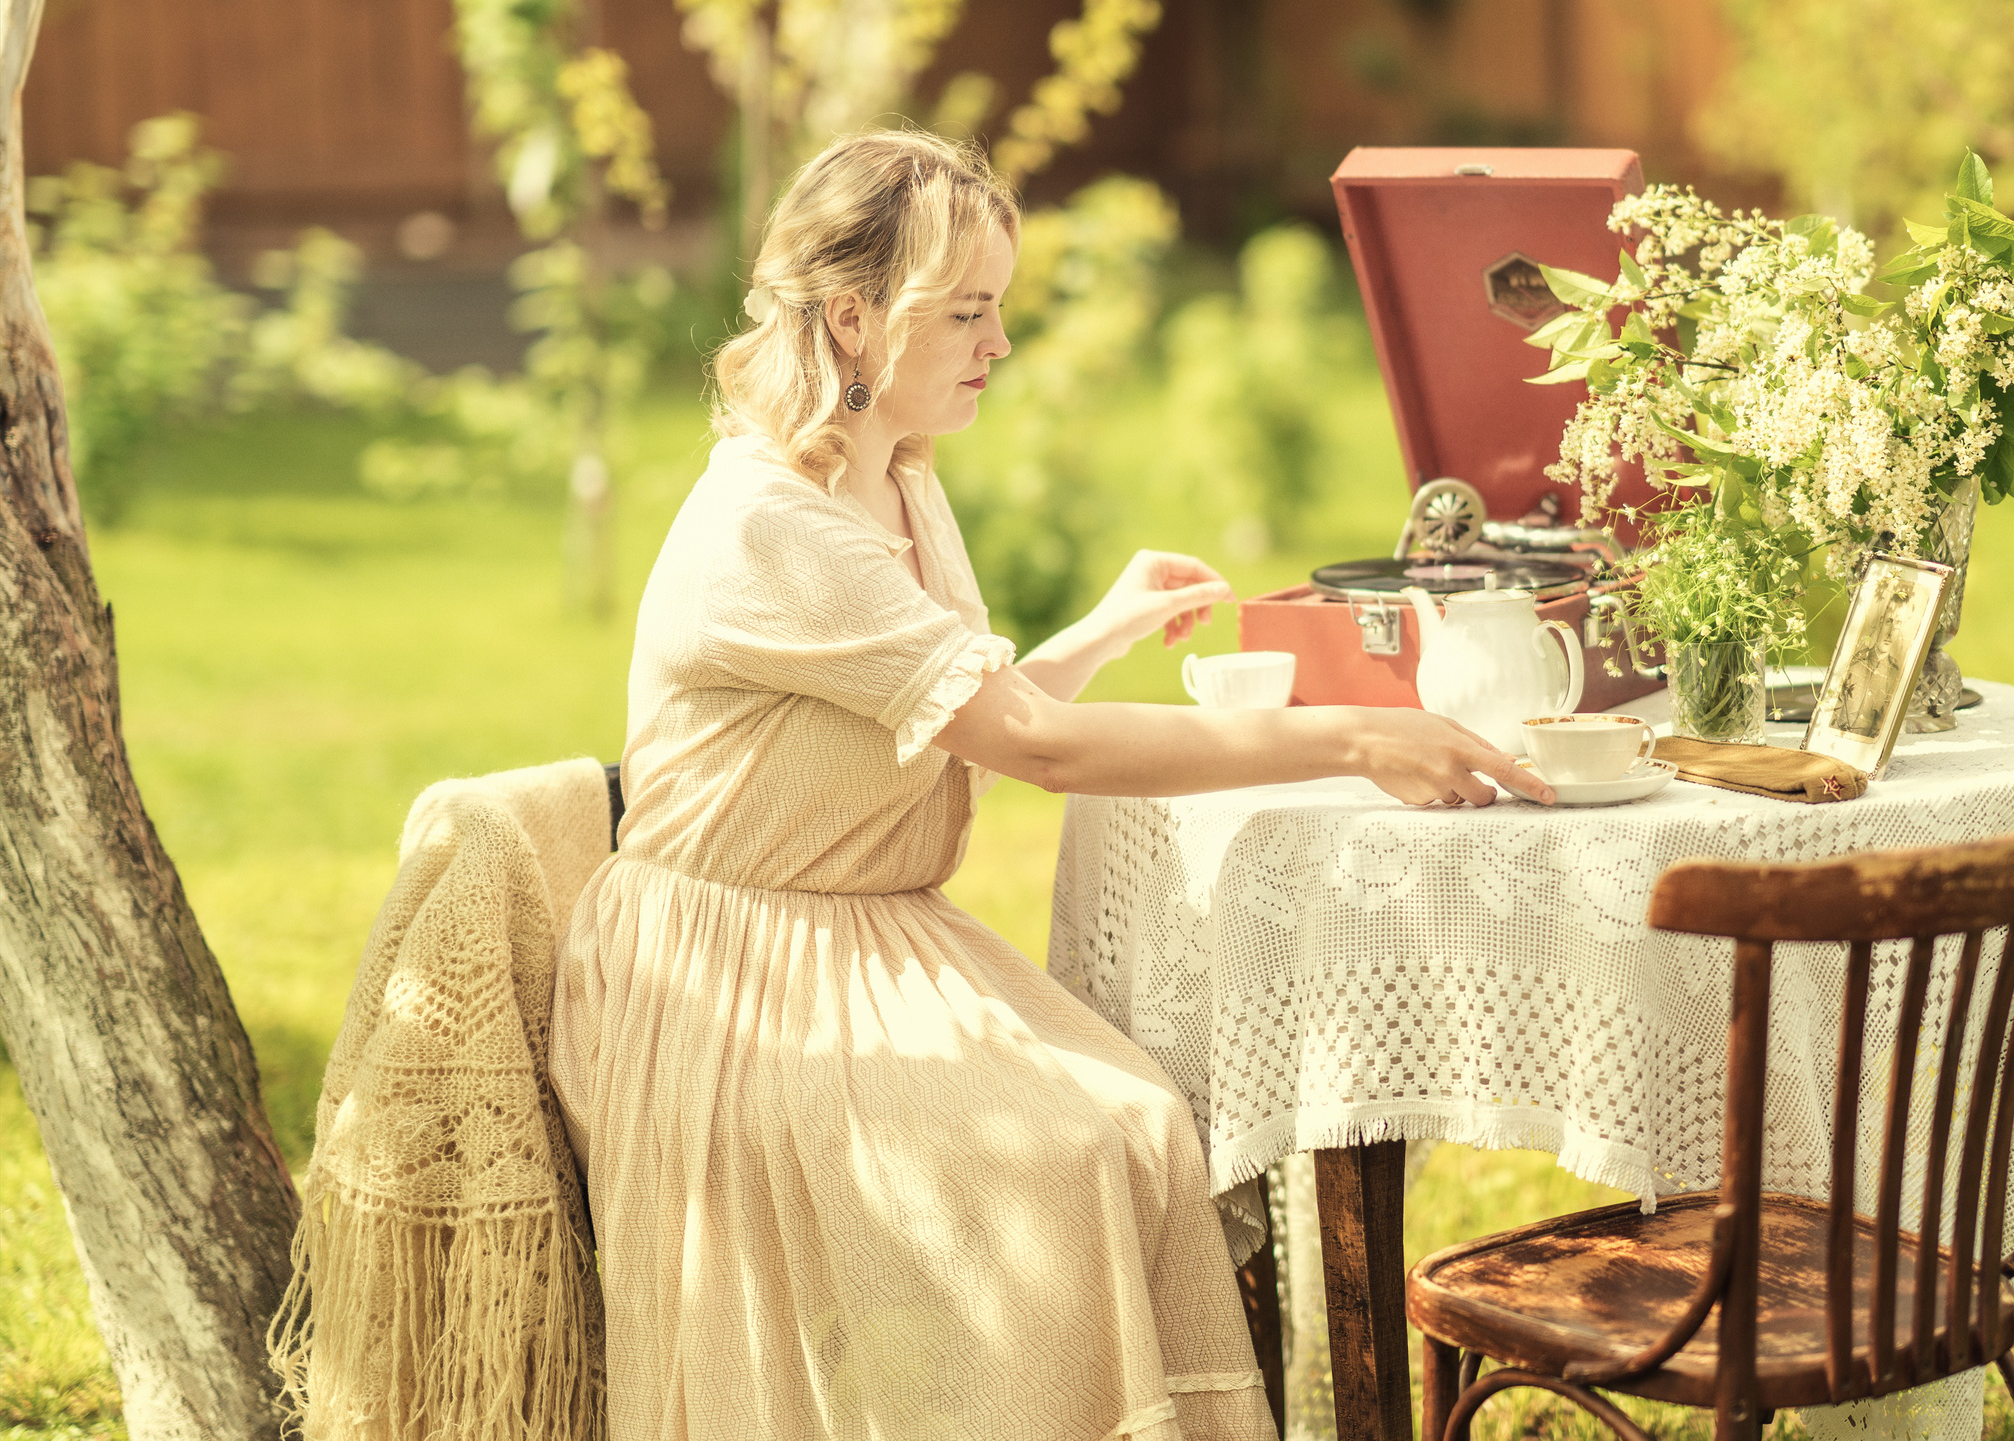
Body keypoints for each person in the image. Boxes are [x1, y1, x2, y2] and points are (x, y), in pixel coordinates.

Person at [549, 128, 1549, 1441]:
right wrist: (1354, 734)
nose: (1000, 343)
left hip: (859, 934)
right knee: (1076, 1155)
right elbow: (1040, 749)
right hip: (738, 973)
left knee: (1141, 1122)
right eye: (967, 311)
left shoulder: (894, 475)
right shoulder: (771, 525)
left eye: (1000, 309)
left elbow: (952, 714)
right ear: (853, 317)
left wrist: (1100, 629)